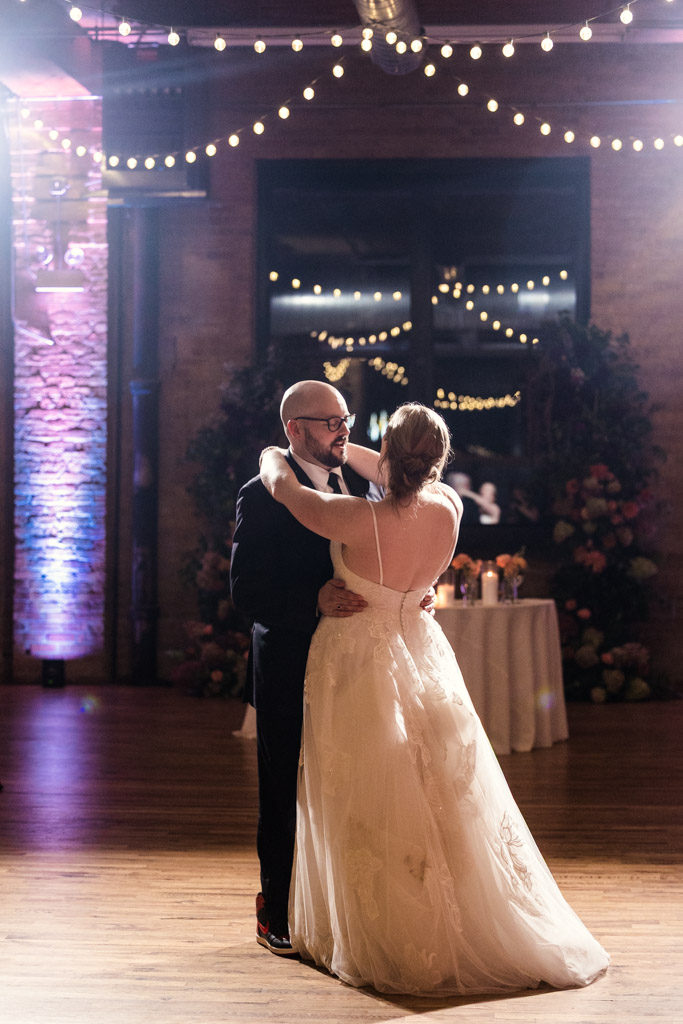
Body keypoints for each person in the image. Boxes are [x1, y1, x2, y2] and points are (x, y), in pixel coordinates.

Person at [259, 402, 609, 996]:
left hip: (356, 662)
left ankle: (388, 925)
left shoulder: (355, 519)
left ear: (389, 454)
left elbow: (290, 493)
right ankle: (447, 906)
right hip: (419, 648)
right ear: (438, 462)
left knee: (366, 794)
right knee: (434, 788)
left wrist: (271, 454)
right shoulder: (449, 506)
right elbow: (386, 472)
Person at [229, 380, 433, 956]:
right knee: (283, 786)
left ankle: (337, 905)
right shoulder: (261, 495)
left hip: (355, 667)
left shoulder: (364, 486)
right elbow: (246, 593)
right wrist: (310, 601)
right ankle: (276, 907)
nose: (345, 429)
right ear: (295, 430)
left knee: (349, 782)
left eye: (346, 418)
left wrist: (409, 589)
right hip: (291, 658)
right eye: (330, 421)